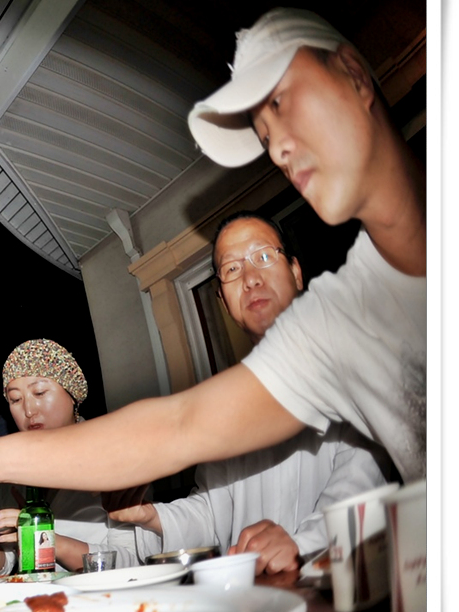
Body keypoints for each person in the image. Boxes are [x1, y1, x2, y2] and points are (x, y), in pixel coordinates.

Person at [0, 8, 425, 512]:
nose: (279, 147)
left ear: (355, 74)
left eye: (282, 103)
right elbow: (180, 426)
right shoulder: (337, 321)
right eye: (264, 135)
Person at [110, 213, 395, 574]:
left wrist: (301, 543)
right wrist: (151, 516)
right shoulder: (224, 408)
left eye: (263, 256)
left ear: (296, 272)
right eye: (232, 269)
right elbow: (211, 511)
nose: (250, 279)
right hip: (254, 593)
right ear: (222, 299)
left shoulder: (358, 366)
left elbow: (364, 483)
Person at [0, 339, 139, 574]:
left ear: (72, 395)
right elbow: (1, 567)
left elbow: (133, 560)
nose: (29, 410)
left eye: (39, 392)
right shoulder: (16, 467)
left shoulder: (114, 457)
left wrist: (42, 537)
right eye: (16, 399)